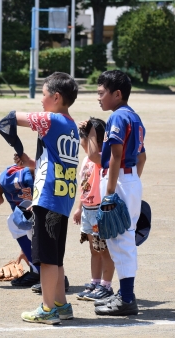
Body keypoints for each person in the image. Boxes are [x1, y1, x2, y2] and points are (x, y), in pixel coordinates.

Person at [0, 72, 79, 325]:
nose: (41, 101)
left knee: (44, 259)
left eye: (43, 95)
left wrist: (17, 145)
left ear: (56, 97)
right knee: (55, 257)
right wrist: (30, 161)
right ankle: (61, 304)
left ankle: (47, 309)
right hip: (63, 196)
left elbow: (9, 119)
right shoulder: (71, 125)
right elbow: (56, 160)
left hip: (48, 196)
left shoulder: (51, 120)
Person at [88, 70, 145, 316]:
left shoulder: (118, 117)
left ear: (117, 94)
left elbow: (116, 156)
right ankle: (125, 295)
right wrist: (131, 183)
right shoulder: (134, 116)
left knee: (120, 241)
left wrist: (110, 193)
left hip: (119, 180)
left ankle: (127, 299)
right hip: (128, 180)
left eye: (102, 93)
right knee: (123, 239)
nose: (98, 98)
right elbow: (142, 156)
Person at [72, 117, 116, 302]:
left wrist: (91, 130)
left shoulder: (101, 158)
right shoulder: (86, 160)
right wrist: (79, 207)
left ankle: (106, 285)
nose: (82, 140)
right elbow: (85, 186)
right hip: (88, 210)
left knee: (105, 250)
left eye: (87, 137)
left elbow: (92, 153)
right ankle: (95, 281)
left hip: (99, 211)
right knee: (94, 250)